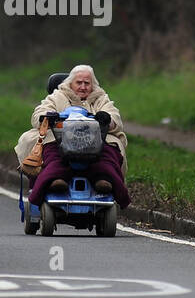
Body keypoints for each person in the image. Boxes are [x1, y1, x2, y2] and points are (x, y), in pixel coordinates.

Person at [17, 64, 129, 209]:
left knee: (109, 153)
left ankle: (104, 180)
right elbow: (40, 111)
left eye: (87, 83)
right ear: (70, 83)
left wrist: (107, 119)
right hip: (61, 140)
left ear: (92, 85)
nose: (83, 87)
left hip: (95, 143)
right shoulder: (58, 96)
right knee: (52, 154)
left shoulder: (101, 98)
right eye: (79, 83)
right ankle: (55, 180)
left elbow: (114, 117)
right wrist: (47, 117)